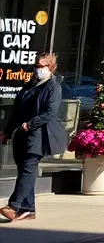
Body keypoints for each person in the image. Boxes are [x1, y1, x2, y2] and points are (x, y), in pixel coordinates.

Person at [1, 53, 67, 222]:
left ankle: (14, 206)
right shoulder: (30, 85)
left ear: (50, 68)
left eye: (42, 66)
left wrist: (30, 124)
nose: (38, 69)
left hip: (39, 135)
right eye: (37, 66)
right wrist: (7, 131)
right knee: (24, 170)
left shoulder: (53, 87)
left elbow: (50, 112)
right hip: (22, 135)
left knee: (28, 169)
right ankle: (28, 209)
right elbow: (17, 112)